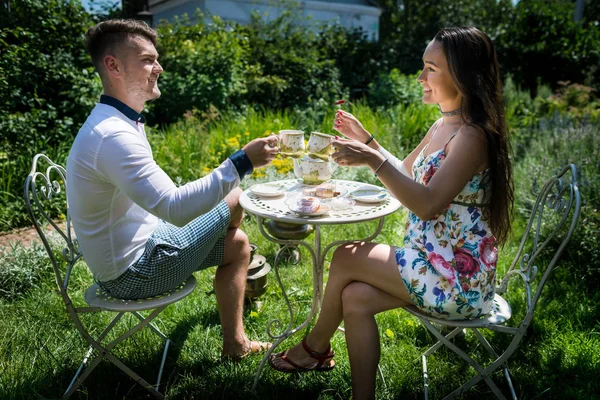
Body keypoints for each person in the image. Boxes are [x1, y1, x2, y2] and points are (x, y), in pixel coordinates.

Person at [269, 26, 513, 399]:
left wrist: (372, 161)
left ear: (462, 75)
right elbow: (404, 172)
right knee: (355, 297)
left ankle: (314, 350)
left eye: (431, 68)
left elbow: (428, 203)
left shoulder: (473, 136)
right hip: (432, 262)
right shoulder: (443, 124)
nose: (421, 77)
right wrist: (368, 142)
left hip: (456, 281)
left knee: (346, 256)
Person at [66, 19, 279, 360]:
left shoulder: (116, 122)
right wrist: (242, 161)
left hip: (129, 256)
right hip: (133, 274)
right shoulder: (113, 135)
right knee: (236, 197)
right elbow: (176, 208)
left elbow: (164, 202)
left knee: (237, 245)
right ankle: (243, 275)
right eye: (148, 59)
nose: (159, 67)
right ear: (113, 65)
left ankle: (235, 345)